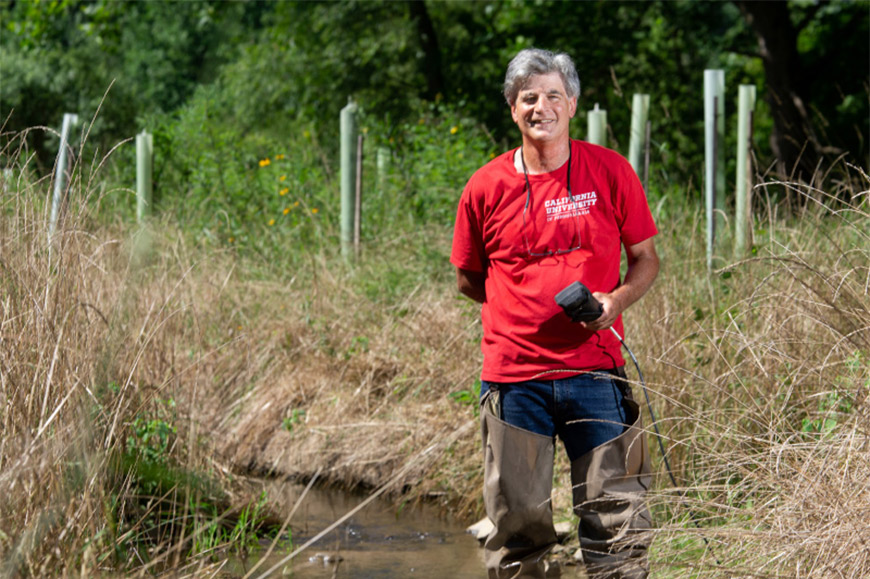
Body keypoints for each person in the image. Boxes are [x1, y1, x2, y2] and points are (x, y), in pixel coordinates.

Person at [451, 48, 660, 579]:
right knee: (518, 526)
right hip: (514, 381)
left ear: (572, 104)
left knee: (618, 518)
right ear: (512, 108)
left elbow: (645, 259)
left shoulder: (610, 170)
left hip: (596, 372)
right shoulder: (483, 186)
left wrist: (615, 302)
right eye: (527, 98)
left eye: (551, 96)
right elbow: (469, 278)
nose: (539, 107)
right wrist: (518, 312)